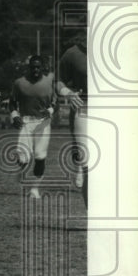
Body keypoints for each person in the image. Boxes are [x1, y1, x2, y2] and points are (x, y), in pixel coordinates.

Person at [9, 55, 57, 199]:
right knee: (23, 158)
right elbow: (12, 102)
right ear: (29, 67)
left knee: (40, 157)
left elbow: (56, 102)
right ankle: (21, 169)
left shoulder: (49, 82)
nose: (35, 69)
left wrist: (50, 111)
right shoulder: (19, 83)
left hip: (43, 122)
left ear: (42, 67)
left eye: (38, 67)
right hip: (26, 121)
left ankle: (34, 190)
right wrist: (14, 115)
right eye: (33, 67)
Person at [57, 31, 88, 204]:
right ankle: (92, 214)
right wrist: (68, 93)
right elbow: (58, 81)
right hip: (84, 108)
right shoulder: (73, 54)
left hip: (112, 111)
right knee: (87, 162)